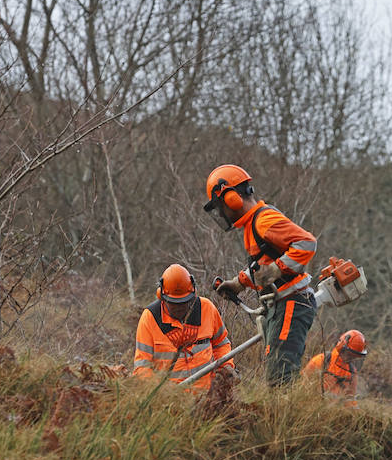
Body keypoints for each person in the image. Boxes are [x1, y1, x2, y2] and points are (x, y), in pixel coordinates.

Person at [204, 164, 318, 385]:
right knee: (278, 373)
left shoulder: (263, 220)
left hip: (292, 302)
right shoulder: (253, 224)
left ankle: (288, 417)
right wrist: (238, 283)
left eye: (221, 206)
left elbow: (307, 243)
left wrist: (278, 269)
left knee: (280, 378)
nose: (222, 213)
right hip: (282, 303)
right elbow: (262, 264)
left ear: (231, 198)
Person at [133, 263, 235, 390]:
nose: (179, 307)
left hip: (208, 397)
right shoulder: (150, 318)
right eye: (173, 303)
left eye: (183, 302)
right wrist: (159, 391)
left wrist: (226, 367)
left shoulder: (207, 309)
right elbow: (142, 367)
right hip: (170, 402)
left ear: (193, 294)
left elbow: (221, 344)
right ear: (162, 296)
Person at [303, 329, 367, 398]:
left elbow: (350, 399)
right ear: (341, 348)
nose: (350, 359)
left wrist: (353, 408)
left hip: (336, 408)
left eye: (354, 357)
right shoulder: (321, 360)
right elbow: (302, 385)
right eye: (349, 355)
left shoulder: (351, 372)